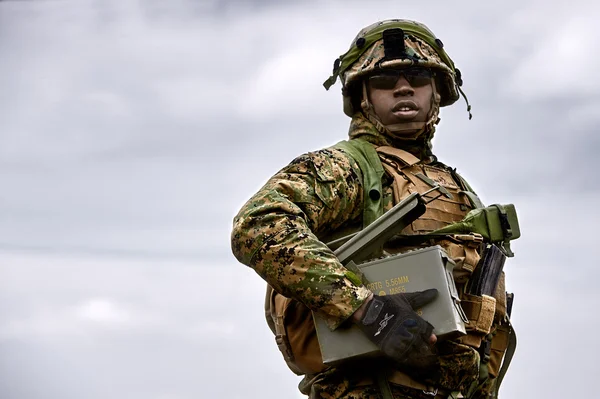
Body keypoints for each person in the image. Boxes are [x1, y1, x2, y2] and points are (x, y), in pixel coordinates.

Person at [231, 19, 515, 399]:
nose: (402, 87)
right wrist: (369, 311)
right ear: (363, 96)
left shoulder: (454, 186)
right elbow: (256, 226)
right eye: (384, 80)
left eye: (417, 76)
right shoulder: (347, 168)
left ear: (437, 91)